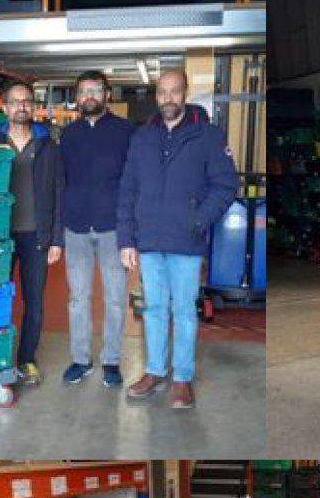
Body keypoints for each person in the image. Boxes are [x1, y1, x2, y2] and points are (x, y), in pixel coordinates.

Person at [116, 68, 238, 410]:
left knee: (183, 310)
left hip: (185, 242)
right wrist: (127, 239)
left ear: (185, 94)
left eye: (174, 91)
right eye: (162, 92)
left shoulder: (207, 136)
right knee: (153, 308)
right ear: (156, 95)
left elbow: (226, 185)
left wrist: (197, 220)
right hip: (149, 241)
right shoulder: (142, 137)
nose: (168, 98)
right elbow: (127, 188)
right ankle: (155, 371)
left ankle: (182, 378)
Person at [59, 70, 134, 389]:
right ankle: (80, 359)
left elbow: (133, 183)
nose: (90, 95)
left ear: (107, 94)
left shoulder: (126, 131)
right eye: (84, 91)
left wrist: (131, 230)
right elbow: (61, 180)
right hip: (75, 227)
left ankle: (112, 361)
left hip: (112, 228)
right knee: (78, 297)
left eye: (96, 90)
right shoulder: (68, 134)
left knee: (116, 299)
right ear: (77, 97)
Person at [0, 80, 64, 386]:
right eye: (15, 101)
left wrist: (56, 238)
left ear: (32, 106)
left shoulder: (48, 143)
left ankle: (26, 360)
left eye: (26, 101)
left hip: (36, 234)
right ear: (5, 107)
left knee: (34, 303)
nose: (21, 106)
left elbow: (60, 192)